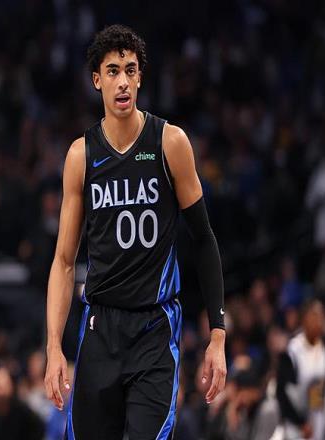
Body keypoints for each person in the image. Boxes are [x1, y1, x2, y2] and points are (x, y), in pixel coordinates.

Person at [44, 24, 226, 439]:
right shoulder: (81, 155)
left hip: (155, 327)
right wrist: (54, 347)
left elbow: (204, 239)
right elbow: (64, 261)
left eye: (130, 70)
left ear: (141, 77)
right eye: (112, 71)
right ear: (97, 80)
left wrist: (217, 334)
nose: (123, 81)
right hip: (100, 327)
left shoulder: (170, 143)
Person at [276, 299, 325, 440]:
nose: (319, 321)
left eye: (321, 316)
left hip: (321, 418)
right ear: (304, 319)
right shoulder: (292, 351)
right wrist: (300, 423)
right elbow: (283, 393)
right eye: (314, 316)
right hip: (297, 425)